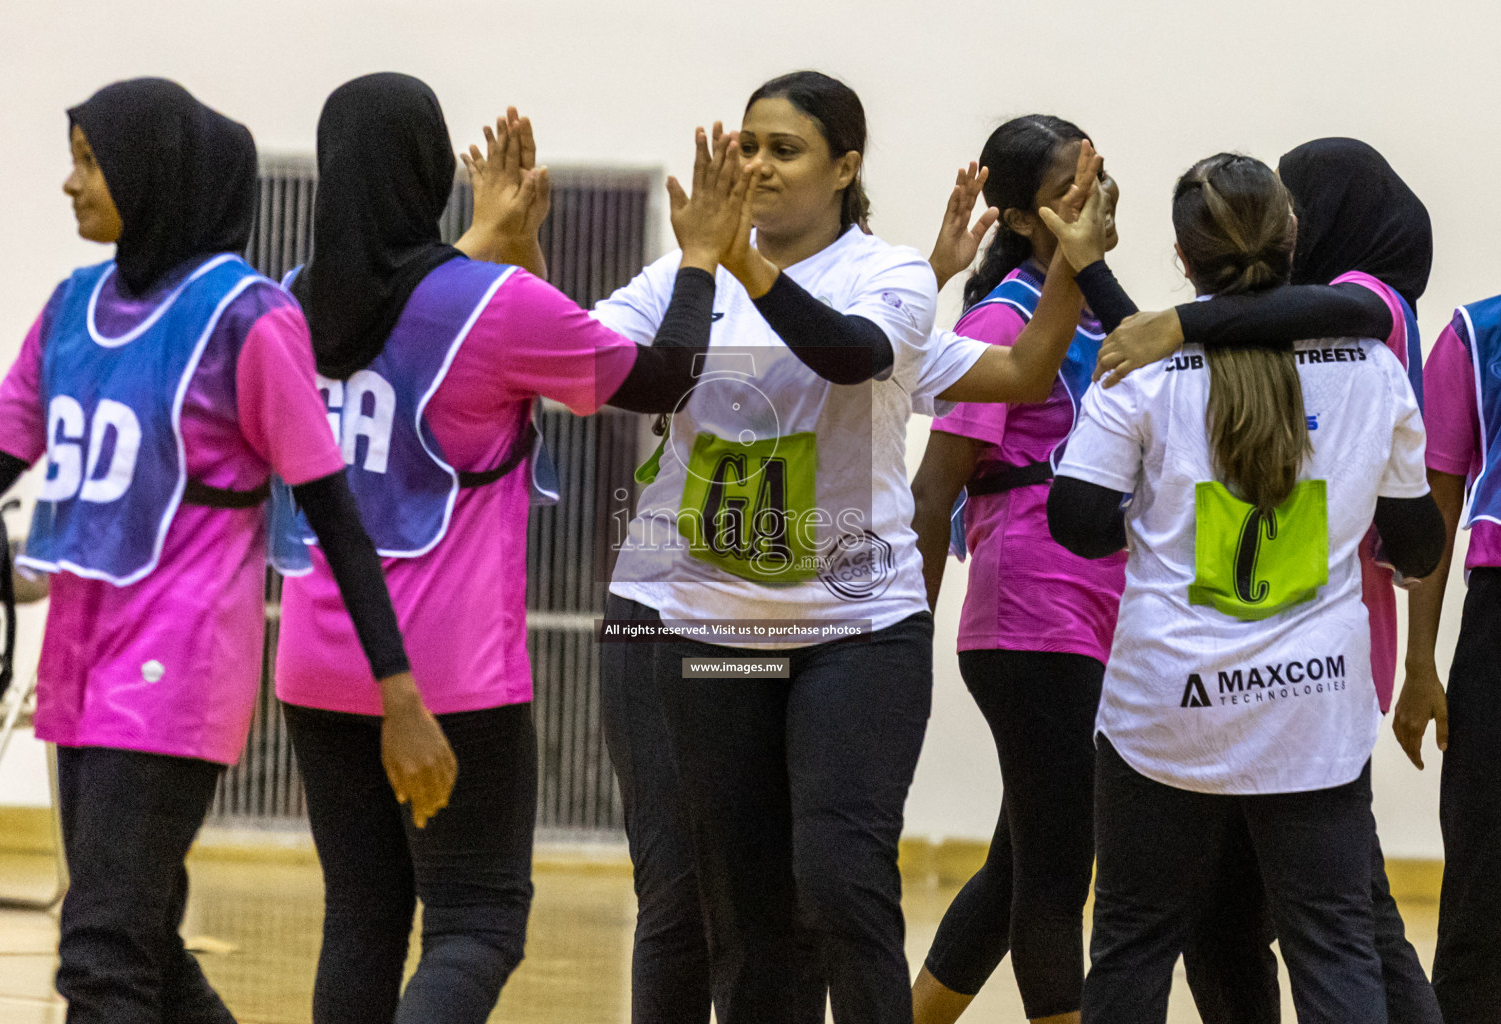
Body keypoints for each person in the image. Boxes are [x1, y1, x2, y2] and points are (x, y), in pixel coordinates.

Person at [593, 70, 1106, 1024]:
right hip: (710, 631)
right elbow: (617, 374)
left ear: (845, 168)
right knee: (744, 911)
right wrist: (692, 269)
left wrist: (742, 268)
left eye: (783, 149)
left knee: (839, 879)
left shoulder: (894, 273)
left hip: (855, 631)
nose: (756, 166)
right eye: (746, 146)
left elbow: (860, 356)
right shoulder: (682, 275)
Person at [0, 78, 451, 1024]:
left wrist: (398, 690)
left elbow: (332, 510)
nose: (71, 183)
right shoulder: (71, 308)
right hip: (78, 661)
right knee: (142, 939)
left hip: (176, 666)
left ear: (154, 174)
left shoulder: (247, 317)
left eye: (90, 161)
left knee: (101, 955)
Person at [271, 72, 750, 1024]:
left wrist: (504, 241)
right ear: (425, 170)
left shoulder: (289, 303)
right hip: (446, 675)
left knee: (361, 916)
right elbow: (660, 380)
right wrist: (699, 260)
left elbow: (401, 308)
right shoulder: (490, 308)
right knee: (477, 922)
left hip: (317, 659)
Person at [1048, 152, 1444, 1024]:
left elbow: (1074, 523)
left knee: (1133, 941)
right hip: (1314, 710)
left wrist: (1157, 522)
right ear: (1294, 236)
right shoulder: (1374, 367)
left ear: (1184, 260)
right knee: (1336, 941)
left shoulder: (1144, 369)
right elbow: (1418, 546)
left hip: (1166, 709)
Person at [908, 114, 1122, 1024]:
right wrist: (898, 641)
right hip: (1030, 618)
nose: (1101, 197)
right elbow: (932, 490)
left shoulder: (1100, 306)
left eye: (1103, 178)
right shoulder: (1002, 318)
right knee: (1058, 866)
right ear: (1029, 216)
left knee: (1022, 857)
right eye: (1079, 185)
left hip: (1096, 614)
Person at [1395, 200, 1501, 1024]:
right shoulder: (1475, 334)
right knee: (1484, 862)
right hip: (1497, 618)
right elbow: (1434, 509)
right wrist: (1420, 665)